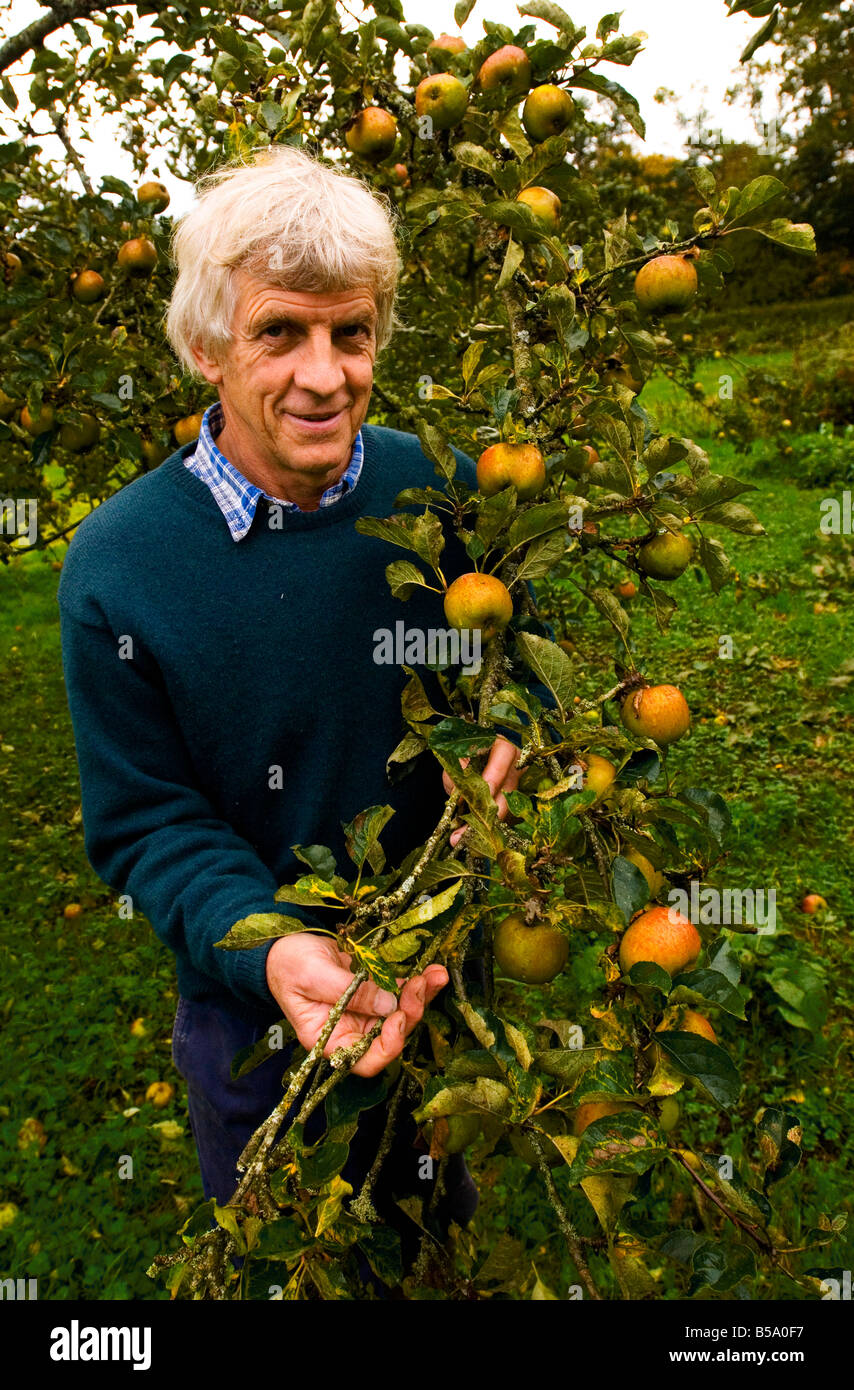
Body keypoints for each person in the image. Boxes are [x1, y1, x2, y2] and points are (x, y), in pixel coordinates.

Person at [58, 145, 525, 1292]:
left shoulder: (444, 488)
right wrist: (269, 950)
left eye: (351, 333)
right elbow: (146, 823)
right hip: (261, 1018)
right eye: (281, 333)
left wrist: (523, 727)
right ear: (207, 345)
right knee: (297, 1261)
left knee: (432, 1235)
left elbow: (519, 657)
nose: (325, 375)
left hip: (440, 988)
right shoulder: (119, 565)